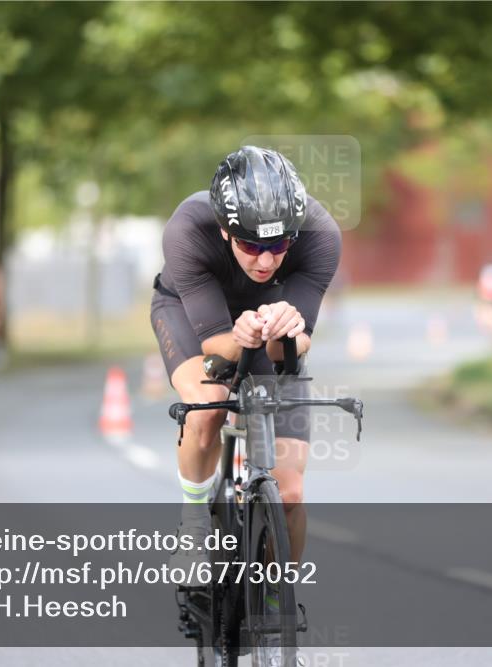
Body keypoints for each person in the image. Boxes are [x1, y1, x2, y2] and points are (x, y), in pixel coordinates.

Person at [151, 146, 342, 576]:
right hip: (191, 315)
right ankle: (195, 526)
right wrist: (243, 335)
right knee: (209, 406)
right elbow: (218, 345)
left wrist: (287, 332)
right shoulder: (187, 229)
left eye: (278, 244)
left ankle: (278, 601)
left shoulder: (320, 234)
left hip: (272, 322)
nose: (267, 260)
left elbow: (285, 354)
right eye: (251, 245)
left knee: (290, 493)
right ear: (224, 231)